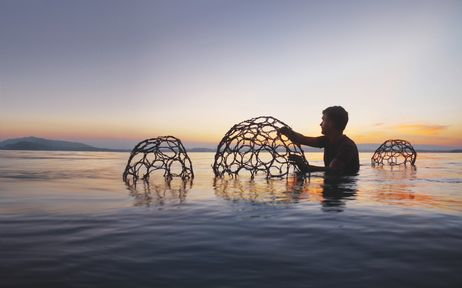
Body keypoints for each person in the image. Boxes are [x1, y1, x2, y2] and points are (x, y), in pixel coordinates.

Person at [278, 106, 360, 175]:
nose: (320, 124)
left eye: (323, 120)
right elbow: (302, 139)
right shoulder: (326, 140)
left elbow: (333, 170)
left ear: (331, 123)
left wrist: (304, 166)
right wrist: (288, 132)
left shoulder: (347, 146)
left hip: (343, 191)